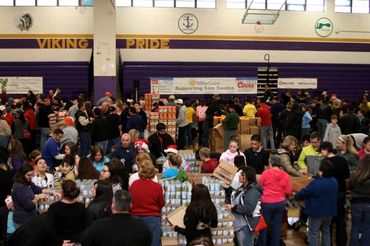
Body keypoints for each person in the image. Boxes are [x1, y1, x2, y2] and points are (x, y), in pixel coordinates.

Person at [81, 190, 152, 246]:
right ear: (130, 206)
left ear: (113, 206)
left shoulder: (98, 226)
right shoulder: (142, 226)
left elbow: (85, 241)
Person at [294, 159, 338, 246]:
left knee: (313, 233)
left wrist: (295, 196)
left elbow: (304, 192)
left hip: (316, 212)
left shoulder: (316, 183)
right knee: (326, 231)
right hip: (330, 211)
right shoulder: (334, 181)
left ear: (321, 171)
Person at [320, 141, 350, 246]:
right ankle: (341, 242)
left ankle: (328, 243)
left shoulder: (325, 163)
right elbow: (347, 175)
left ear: (326, 150)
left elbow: (322, 178)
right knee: (340, 219)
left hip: (329, 195)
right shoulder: (342, 159)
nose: (320, 153)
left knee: (328, 221)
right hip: (341, 193)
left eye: (321, 150)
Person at [258, 155, 292, 246]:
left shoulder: (266, 173)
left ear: (270, 163)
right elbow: (288, 191)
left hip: (267, 203)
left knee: (264, 226)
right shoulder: (285, 175)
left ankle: (262, 244)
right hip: (280, 203)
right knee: (277, 227)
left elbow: (260, 186)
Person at [130, 159, 165, 246]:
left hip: (135, 218)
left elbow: (131, 200)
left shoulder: (134, 184)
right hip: (152, 218)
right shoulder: (157, 187)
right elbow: (161, 204)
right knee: (153, 242)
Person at [225, 166, 263, 246]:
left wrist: (233, 208)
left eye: (242, 174)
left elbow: (248, 208)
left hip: (245, 226)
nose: (239, 176)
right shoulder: (243, 187)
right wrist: (227, 189)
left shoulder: (253, 191)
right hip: (239, 224)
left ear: (247, 177)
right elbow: (235, 195)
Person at [348, 154, 370, 246]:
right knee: (367, 228)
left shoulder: (354, 175)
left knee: (355, 227)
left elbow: (350, 187)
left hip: (356, 204)